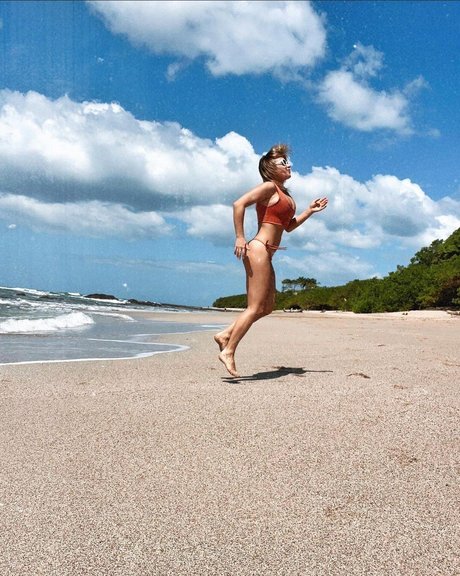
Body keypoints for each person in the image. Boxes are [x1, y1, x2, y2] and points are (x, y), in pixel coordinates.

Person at [215, 143, 328, 377]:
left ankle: (225, 334)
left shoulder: (286, 195)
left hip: (267, 253)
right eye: (283, 163)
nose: (289, 165)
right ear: (270, 169)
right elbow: (238, 204)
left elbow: (288, 227)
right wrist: (239, 236)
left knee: (267, 307)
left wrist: (309, 211)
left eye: (288, 161)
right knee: (255, 307)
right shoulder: (268, 187)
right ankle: (229, 350)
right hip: (258, 249)